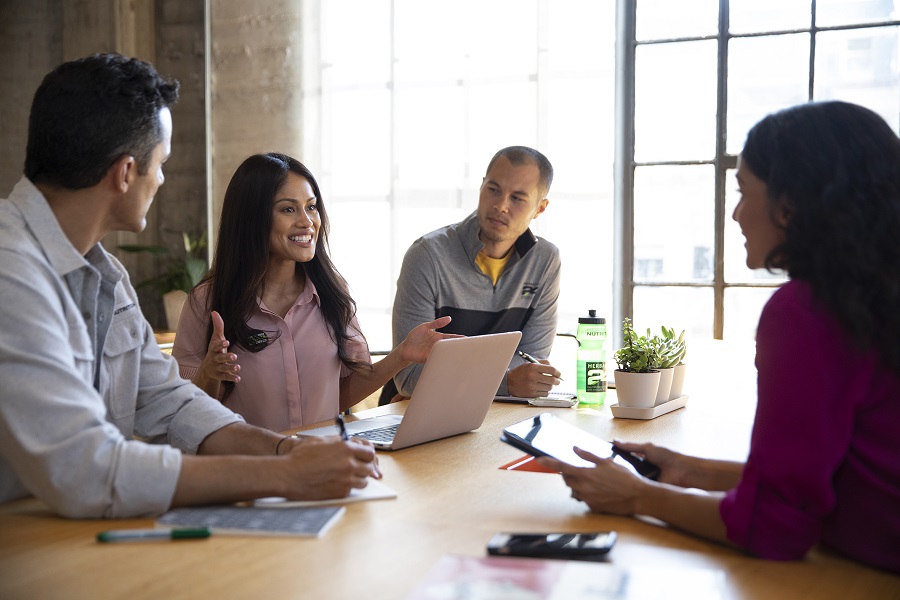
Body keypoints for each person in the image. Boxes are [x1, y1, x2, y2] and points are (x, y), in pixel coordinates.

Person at [0, 53, 380, 519]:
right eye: (160, 164)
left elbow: (172, 403)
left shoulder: (107, 277)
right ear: (124, 173)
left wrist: (286, 452)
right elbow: (85, 468)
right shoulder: (11, 272)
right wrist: (286, 476)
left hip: (73, 538)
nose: (161, 180)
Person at [540, 101, 900, 574]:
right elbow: (845, 481)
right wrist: (694, 472)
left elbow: (776, 527)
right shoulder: (875, 296)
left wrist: (637, 495)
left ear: (790, 205)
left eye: (744, 191)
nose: (735, 214)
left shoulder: (807, 312)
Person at [172, 152, 455, 432]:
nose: (307, 222)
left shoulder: (332, 293)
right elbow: (182, 413)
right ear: (251, 217)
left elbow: (340, 394)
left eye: (311, 207)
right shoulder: (206, 302)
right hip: (249, 469)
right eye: (288, 209)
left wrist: (402, 354)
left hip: (321, 464)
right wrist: (209, 376)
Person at [385, 146, 562, 404]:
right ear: (481, 187)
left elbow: (530, 363)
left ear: (540, 209)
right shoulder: (427, 256)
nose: (501, 205)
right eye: (494, 189)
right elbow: (408, 375)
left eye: (517, 198)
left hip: (497, 410)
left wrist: (509, 381)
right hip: (412, 409)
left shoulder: (544, 261)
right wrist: (506, 382)